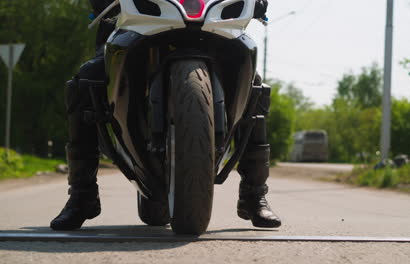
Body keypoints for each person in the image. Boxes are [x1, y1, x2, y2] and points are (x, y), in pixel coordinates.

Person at [50, 0, 281, 231]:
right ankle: (83, 195)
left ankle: (253, 194)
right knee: (87, 80)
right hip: (135, 27)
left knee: (255, 88)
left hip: (214, 30)